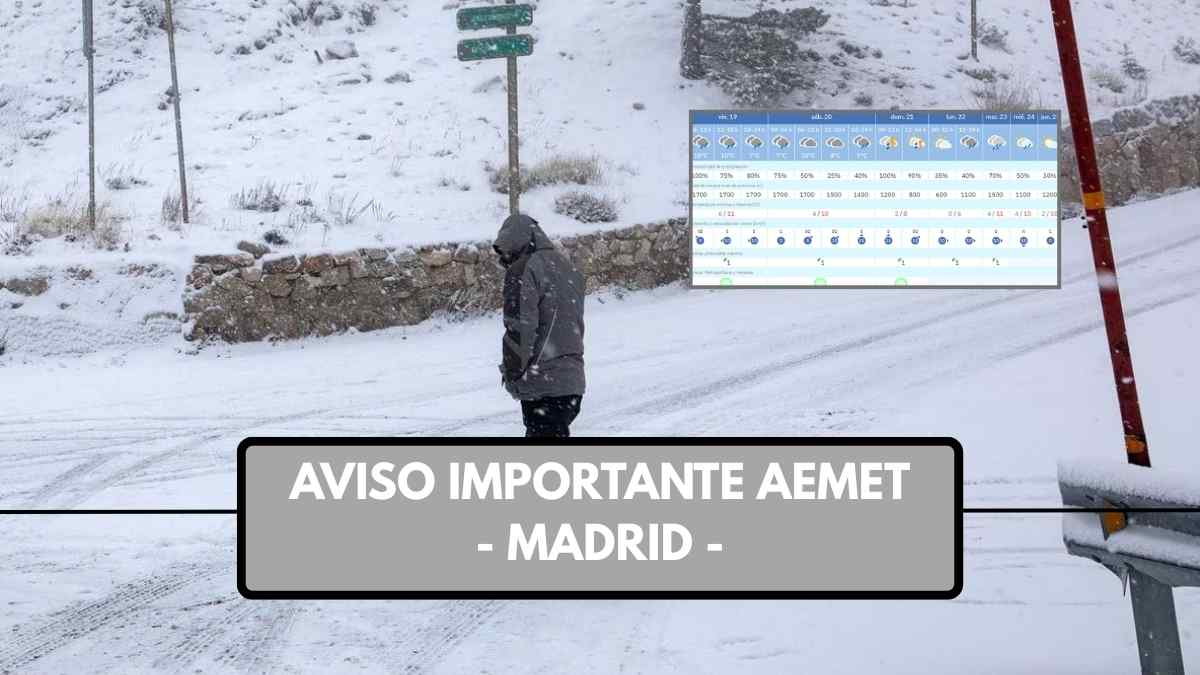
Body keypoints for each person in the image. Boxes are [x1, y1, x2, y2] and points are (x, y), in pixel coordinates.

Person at [493, 214, 586, 438]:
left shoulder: (523, 269)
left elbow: (520, 328)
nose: (507, 260)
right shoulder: (567, 267)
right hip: (572, 383)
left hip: (542, 383)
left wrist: (512, 371)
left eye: (507, 254)